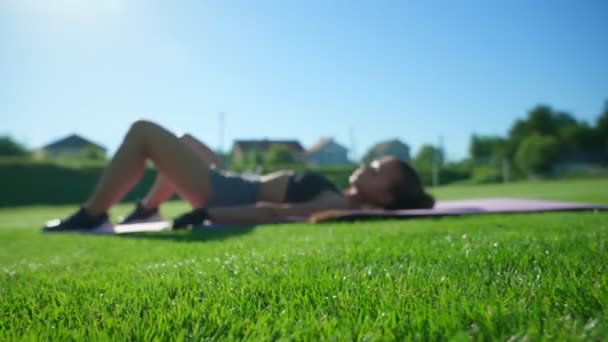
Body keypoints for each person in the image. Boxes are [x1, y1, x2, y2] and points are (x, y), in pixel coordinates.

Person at [43, 120, 434, 232]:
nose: (368, 165)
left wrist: (210, 214)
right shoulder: (339, 193)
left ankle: (93, 213)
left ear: (385, 197)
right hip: (233, 181)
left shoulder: (338, 202)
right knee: (185, 141)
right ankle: (146, 208)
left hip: (224, 193)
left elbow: (273, 213)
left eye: (379, 170)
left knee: (145, 132)